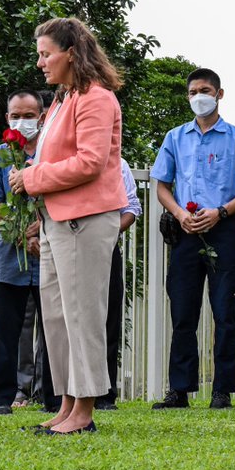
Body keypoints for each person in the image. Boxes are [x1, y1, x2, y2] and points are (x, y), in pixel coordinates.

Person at [9, 17, 125, 435]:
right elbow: (54, 157)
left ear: (70, 53)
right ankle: (67, 404)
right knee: (56, 316)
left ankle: (85, 411)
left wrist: (33, 179)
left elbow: (91, 162)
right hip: (57, 219)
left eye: (46, 54)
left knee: (82, 315)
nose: (40, 62)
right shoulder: (61, 100)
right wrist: (30, 175)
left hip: (87, 220)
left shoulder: (97, 98)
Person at [152, 68, 235, 410]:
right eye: (195, 90)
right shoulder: (175, 137)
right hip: (185, 232)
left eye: (206, 90)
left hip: (224, 230)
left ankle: (222, 390)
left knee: (225, 312)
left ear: (220, 94)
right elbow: (162, 186)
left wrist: (222, 212)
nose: (200, 96)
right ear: (188, 96)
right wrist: (181, 214)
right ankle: (179, 390)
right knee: (183, 313)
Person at [0, 90, 53, 414]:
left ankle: (54, 397)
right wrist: (23, 237)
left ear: (41, 117)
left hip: (49, 255)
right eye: (15, 115)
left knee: (54, 330)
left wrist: (39, 231)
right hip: (8, 258)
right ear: (7, 118)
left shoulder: (53, 155)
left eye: (28, 115)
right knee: (2, 331)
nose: (22, 122)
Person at [97, 158, 142, 410]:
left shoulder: (119, 165)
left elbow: (131, 208)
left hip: (106, 247)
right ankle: (63, 394)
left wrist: (106, 234)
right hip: (70, 246)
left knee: (109, 319)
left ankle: (104, 394)